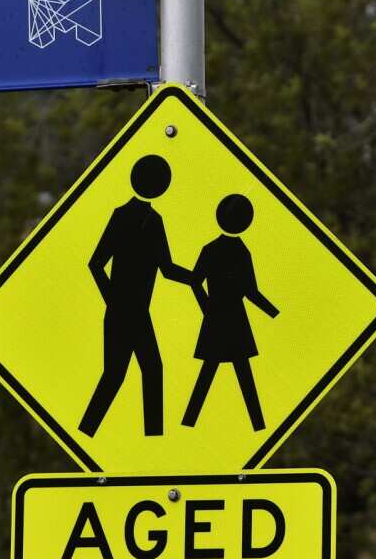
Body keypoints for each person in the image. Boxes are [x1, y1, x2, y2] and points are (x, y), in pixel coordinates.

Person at [78, 154, 193, 438]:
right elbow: (96, 263)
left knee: (145, 371)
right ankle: (89, 432)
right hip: (124, 312)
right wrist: (112, 299)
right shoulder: (127, 216)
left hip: (136, 312)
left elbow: (165, 268)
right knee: (122, 374)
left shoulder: (152, 220)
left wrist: (195, 278)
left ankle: (150, 439)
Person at [181, 193, 278, 431]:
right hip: (234, 319)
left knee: (214, 371)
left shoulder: (212, 249)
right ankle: (257, 425)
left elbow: (195, 282)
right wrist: (275, 313)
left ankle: (190, 422)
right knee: (239, 374)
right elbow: (251, 292)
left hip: (219, 319)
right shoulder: (241, 252)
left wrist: (207, 308)